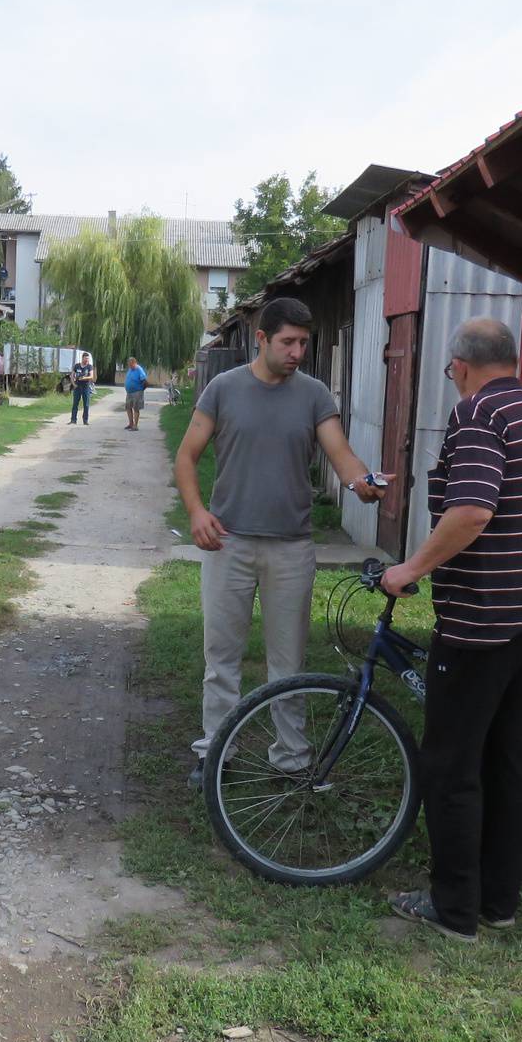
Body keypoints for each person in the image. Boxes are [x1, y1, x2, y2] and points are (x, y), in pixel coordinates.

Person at [380, 317, 522, 943]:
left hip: (484, 621)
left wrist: (411, 567)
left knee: (452, 762)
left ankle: (454, 908)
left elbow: (471, 510)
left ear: (461, 366)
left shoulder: (479, 417)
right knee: (509, 758)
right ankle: (498, 901)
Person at [175, 296, 385, 785]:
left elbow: (342, 455)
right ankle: (215, 754)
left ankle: (291, 759)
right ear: (262, 339)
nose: (296, 352)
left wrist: (361, 483)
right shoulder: (223, 389)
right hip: (228, 543)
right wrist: (197, 512)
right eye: (288, 342)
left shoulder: (312, 395)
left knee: (287, 663)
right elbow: (186, 457)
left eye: (304, 343)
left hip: (291, 548)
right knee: (221, 656)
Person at [122, 355, 148, 431]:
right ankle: (131, 423)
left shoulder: (139, 369)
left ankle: (135, 426)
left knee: (136, 408)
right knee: (128, 407)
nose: (129, 366)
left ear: (134, 363)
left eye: (130, 364)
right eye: (128, 364)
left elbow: (145, 381)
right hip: (129, 392)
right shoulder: (130, 369)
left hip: (137, 392)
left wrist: (141, 389)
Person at [69, 351, 95, 424]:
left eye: (88, 359)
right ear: (82, 358)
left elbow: (91, 376)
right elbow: (72, 376)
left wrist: (84, 378)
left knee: (86, 404)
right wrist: (74, 384)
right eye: (86, 358)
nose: (87, 360)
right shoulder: (77, 366)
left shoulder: (89, 366)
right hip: (77, 387)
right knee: (75, 404)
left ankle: (85, 420)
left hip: (86, 387)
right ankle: (73, 420)